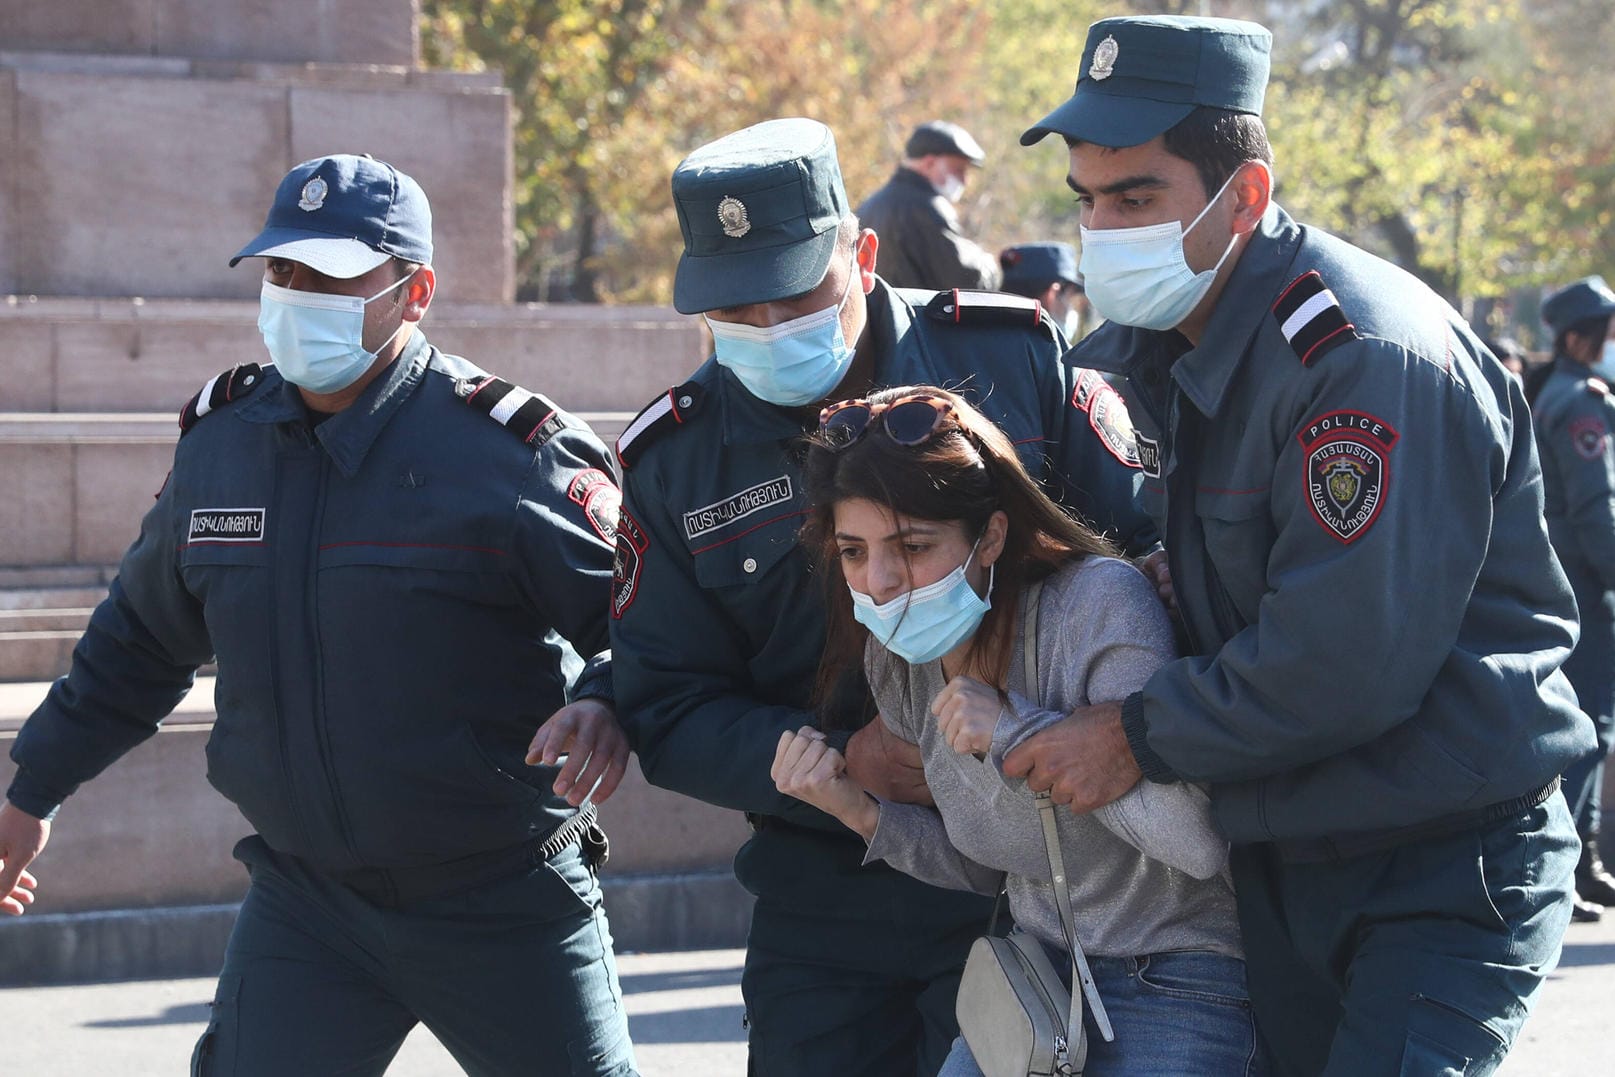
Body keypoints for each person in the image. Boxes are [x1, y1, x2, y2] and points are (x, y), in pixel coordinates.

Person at [1008, 15, 1595, 1076]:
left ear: (1244, 194)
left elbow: (1341, 662)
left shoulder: (1358, 357)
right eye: (1087, 200)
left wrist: (1131, 734)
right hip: (1284, 859)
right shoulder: (1144, 346)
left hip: (1436, 861)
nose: (1102, 229)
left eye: (1136, 197)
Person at [0, 155, 638, 1077]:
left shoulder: (507, 454)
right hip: (309, 908)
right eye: (280, 272)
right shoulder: (222, 447)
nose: (296, 296)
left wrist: (608, 696)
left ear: (412, 292)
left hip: (501, 893)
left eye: (331, 277)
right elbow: (137, 644)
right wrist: (32, 793)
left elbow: (644, 621)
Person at [610, 117, 1156, 1077]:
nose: (770, 329)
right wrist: (837, 757)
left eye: (795, 295)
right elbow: (667, 702)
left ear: (860, 253)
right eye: (734, 311)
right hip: (828, 885)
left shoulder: (1012, 359)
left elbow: (1136, 558)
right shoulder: (676, 458)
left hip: (1031, 877)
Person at [772, 385, 1257, 1076]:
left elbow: (1196, 844)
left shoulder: (1098, 604)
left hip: (1177, 976)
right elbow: (987, 864)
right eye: (853, 550)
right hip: (1034, 987)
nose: (878, 582)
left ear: (991, 535)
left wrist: (1019, 731)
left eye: (911, 545)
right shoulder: (900, 654)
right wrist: (856, 810)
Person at [1526, 276, 1615, 921]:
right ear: (1582, 338)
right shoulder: (1579, 404)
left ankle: (1581, 863)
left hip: (1567, 578)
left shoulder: (1563, 394)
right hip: (1586, 582)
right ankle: (1567, 867)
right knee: (1589, 728)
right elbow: (1595, 511)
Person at [855, 120, 1001, 291]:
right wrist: (989, 266)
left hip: (876, 315)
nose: (964, 180)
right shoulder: (929, 208)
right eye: (959, 170)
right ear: (929, 163)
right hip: (913, 316)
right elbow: (965, 280)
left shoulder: (870, 204)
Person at [998, 242, 1092, 343]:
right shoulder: (1050, 355)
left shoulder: (985, 341)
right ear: (1052, 295)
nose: (1071, 308)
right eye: (1070, 298)